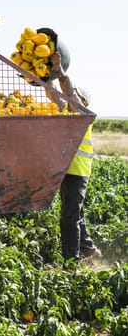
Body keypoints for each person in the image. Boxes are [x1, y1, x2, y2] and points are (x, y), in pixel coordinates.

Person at [48, 51, 101, 263]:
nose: (72, 99)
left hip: (77, 172)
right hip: (68, 171)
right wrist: (47, 76)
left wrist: (59, 69)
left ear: (83, 103)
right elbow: (54, 94)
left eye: (77, 98)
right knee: (75, 213)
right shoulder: (69, 115)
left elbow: (69, 93)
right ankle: (89, 250)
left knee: (69, 218)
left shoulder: (84, 116)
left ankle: (72, 263)